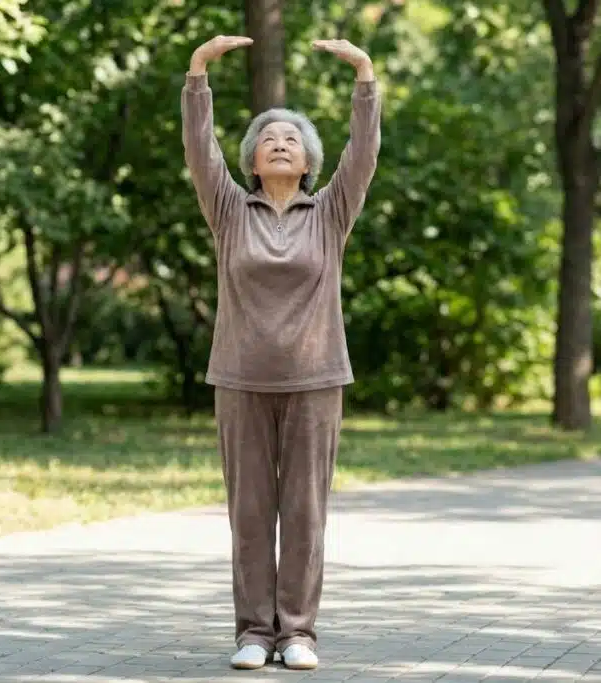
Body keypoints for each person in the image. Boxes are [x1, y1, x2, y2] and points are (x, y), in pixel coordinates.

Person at [181, 34, 381, 671]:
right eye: (267, 137)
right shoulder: (229, 210)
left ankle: (297, 633)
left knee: (304, 513)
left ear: (307, 162)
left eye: (292, 138)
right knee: (248, 514)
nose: (279, 141)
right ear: (252, 159)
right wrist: (199, 74)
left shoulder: (330, 213)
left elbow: (364, 154)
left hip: (316, 380)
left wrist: (364, 78)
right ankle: (253, 633)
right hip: (240, 380)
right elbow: (199, 151)